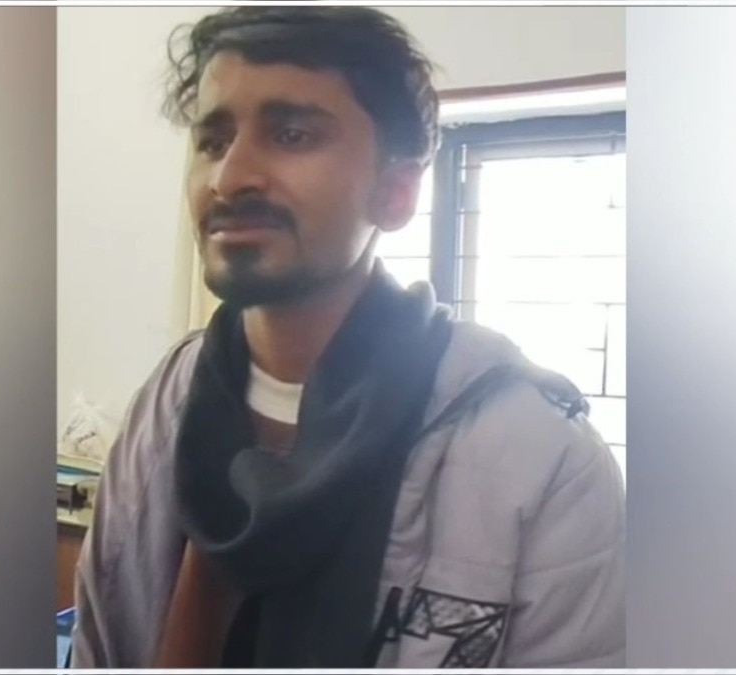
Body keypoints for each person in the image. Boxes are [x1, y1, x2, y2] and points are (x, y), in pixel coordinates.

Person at [71, 6, 625, 669]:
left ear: (396, 192)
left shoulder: (540, 460)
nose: (229, 177)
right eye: (214, 142)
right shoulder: (166, 405)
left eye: (292, 134)